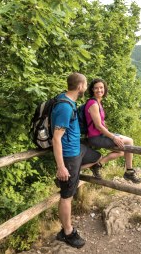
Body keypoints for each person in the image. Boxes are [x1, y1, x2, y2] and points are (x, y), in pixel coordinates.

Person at [51, 72, 102, 248]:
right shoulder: (65, 107)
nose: (87, 87)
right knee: (66, 197)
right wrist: (61, 167)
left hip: (78, 150)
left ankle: (71, 175)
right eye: (86, 84)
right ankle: (67, 232)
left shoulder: (68, 101)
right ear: (80, 86)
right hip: (69, 156)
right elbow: (56, 139)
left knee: (97, 157)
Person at [85, 78, 141, 183]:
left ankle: (98, 165)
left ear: (104, 89)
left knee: (120, 151)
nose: (99, 90)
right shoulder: (93, 103)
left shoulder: (98, 103)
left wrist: (110, 133)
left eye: (101, 87)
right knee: (129, 141)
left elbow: (101, 124)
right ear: (92, 90)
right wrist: (113, 137)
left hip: (100, 135)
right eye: (96, 88)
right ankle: (129, 172)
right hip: (95, 137)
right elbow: (98, 126)